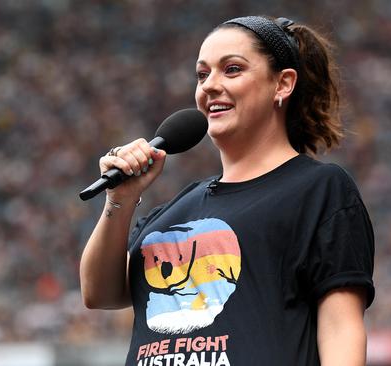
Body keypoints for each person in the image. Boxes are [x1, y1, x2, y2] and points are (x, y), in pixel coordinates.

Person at [80, 15, 375, 366]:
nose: (209, 86)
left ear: (282, 84)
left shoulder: (319, 190)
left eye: (231, 70)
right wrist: (120, 200)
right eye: (202, 74)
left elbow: (341, 329)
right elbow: (100, 292)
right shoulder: (178, 208)